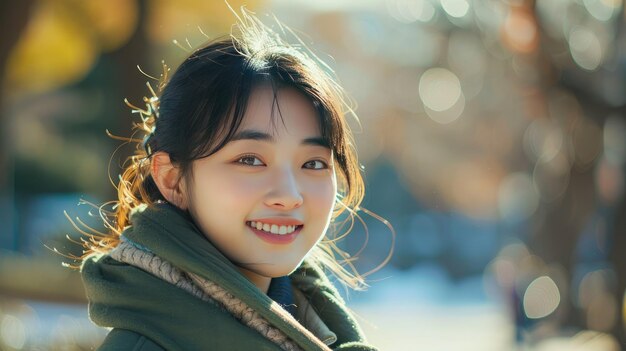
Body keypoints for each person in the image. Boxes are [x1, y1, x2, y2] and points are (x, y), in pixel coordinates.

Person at [79, 8, 380, 351]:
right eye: (250, 160)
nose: (289, 195)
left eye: (312, 163)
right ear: (172, 178)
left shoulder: (323, 329)